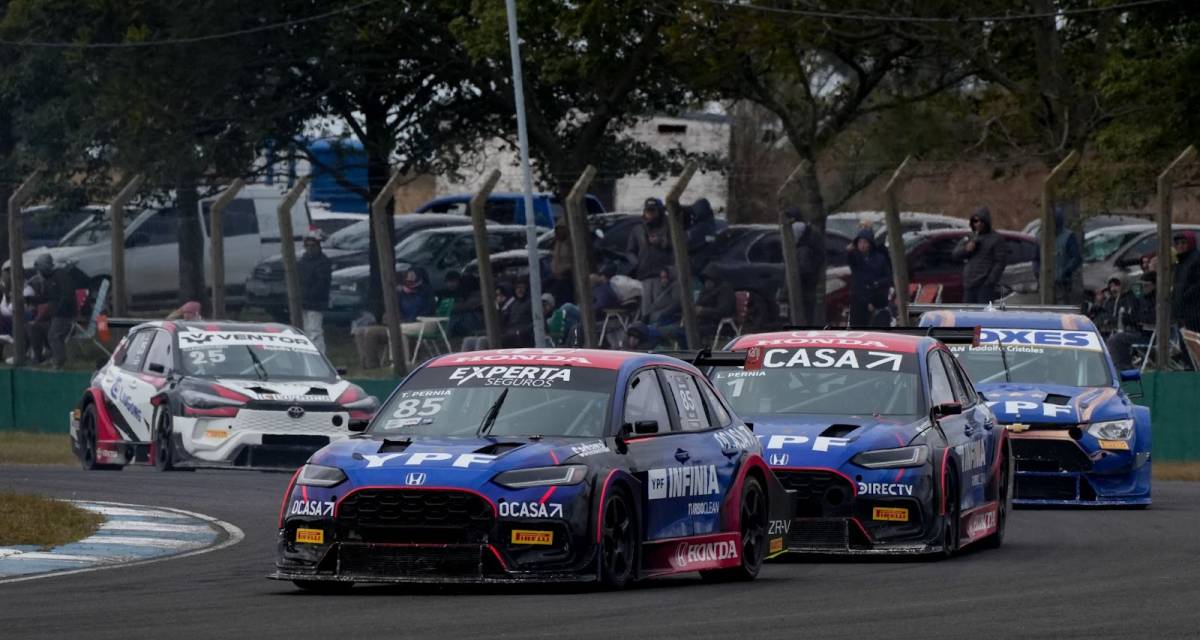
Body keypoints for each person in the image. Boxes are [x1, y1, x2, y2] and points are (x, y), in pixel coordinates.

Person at [30, 254, 77, 368]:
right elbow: (46, 298)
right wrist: (30, 299)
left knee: (53, 335)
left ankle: (59, 360)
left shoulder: (60, 275)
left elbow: (67, 295)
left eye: (40, 270)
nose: (39, 273)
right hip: (55, 315)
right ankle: (44, 357)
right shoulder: (49, 280)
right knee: (36, 328)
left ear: (45, 268)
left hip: (65, 314)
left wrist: (58, 310)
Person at [953, 206, 1007, 304]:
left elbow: (1000, 262)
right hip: (969, 284)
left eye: (981, 221)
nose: (978, 224)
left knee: (983, 314)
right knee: (968, 314)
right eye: (976, 221)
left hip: (984, 285)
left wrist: (990, 281)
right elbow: (956, 254)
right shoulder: (969, 236)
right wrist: (966, 249)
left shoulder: (996, 239)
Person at [786, 207, 825, 324]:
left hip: (805, 281)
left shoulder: (803, 244)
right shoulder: (810, 233)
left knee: (806, 309)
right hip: (810, 279)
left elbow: (805, 266)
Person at [846, 229, 891, 327]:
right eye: (860, 242)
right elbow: (857, 282)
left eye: (865, 242)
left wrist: (877, 284)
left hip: (876, 299)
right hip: (859, 301)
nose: (862, 245)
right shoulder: (855, 257)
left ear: (870, 243)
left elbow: (887, 278)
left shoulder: (879, 259)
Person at [297, 230, 332, 352]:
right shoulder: (303, 261)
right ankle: (308, 354)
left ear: (318, 246)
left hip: (316, 302)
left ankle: (319, 355)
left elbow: (322, 283)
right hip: (303, 302)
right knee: (305, 331)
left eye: (313, 246)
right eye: (308, 246)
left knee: (315, 331)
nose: (310, 248)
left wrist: (310, 294)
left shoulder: (323, 262)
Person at [696, 263, 735, 340]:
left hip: (720, 324)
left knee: (691, 332)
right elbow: (698, 303)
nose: (707, 282)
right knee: (682, 330)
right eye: (705, 279)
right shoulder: (705, 290)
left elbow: (724, 310)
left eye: (709, 279)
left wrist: (703, 311)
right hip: (703, 321)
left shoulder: (725, 289)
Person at [1171, 231, 1200, 332]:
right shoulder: (1181, 262)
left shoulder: (1196, 259)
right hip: (1182, 312)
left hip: (1194, 312)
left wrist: (1185, 296)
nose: (1180, 246)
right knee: (1183, 343)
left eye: (1183, 243)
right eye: (1177, 244)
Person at [1052, 207, 1082, 304]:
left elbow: (1076, 258)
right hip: (1045, 285)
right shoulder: (1041, 235)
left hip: (1063, 284)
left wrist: (1064, 272)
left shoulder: (1068, 236)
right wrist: (1038, 272)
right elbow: (1036, 257)